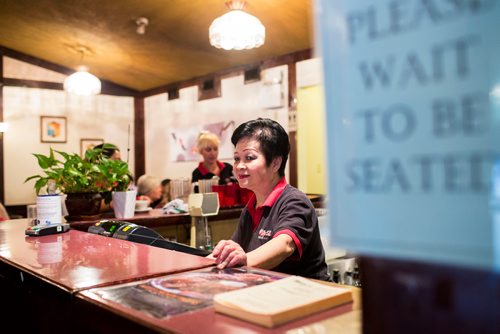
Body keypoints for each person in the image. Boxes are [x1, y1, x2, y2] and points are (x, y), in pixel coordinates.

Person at [210, 118, 329, 281]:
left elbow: (285, 245)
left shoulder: (295, 201)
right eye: (237, 158)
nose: (239, 166)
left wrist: (244, 259)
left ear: (275, 163)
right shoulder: (251, 207)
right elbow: (235, 250)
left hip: (308, 298)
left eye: (249, 158)